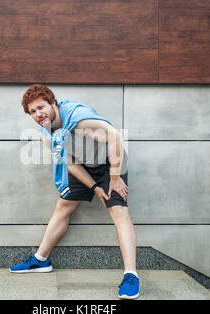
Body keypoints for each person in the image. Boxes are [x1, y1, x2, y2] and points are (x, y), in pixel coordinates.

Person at [9, 84, 139, 299]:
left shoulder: (79, 119)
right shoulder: (45, 133)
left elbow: (115, 137)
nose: (38, 114)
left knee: (118, 210)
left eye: (41, 107)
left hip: (110, 162)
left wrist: (114, 179)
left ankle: (131, 275)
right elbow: (70, 163)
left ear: (53, 103)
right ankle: (41, 260)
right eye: (32, 112)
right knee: (63, 206)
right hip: (83, 164)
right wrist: (95, 188)